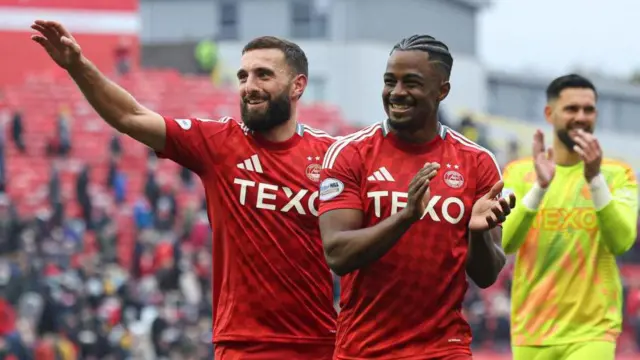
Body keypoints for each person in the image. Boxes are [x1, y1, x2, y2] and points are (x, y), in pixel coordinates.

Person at [31, 20, 337, 359]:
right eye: (243, 76)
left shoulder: (334, 157)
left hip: (321, 344)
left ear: (298, 86)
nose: (249, 86)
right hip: (243, 345)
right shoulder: (219, 144)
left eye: (263, 75)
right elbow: (130, 115)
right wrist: (78, 66)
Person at [317, 34, 515, 359]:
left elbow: (486, 274)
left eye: (411, 83)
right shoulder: (351, 154)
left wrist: (477, 234)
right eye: (389, 81)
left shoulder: (477, 163)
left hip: (443, 349)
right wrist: (405, 217)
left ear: (442, 91)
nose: (396, 92)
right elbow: (337, 255)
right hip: (364, 349)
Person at [501, 74, 638, 360]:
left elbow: (622, 242)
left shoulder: (617, 174)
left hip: (593, 332)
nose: (581, 117)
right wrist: (540, 188)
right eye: (571, 109)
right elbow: (506, 242)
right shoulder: (518, 172)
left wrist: (594, 179)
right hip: (532, 330)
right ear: (550, 114)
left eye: (588, 110)